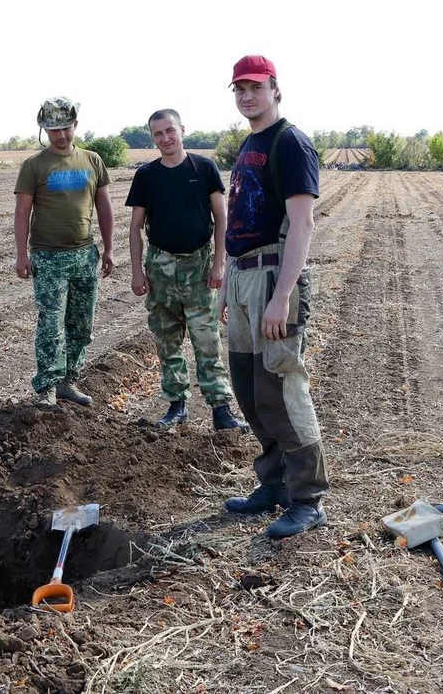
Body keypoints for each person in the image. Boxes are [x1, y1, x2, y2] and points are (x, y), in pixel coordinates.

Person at [218, 55, 330, 538]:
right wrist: (226, 283)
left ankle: (308, 499)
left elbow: (302, 225)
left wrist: (281, 297)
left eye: (255, 87)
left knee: (281, 391)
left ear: (275, 89)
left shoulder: (290, 142)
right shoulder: (249, 143)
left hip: (272, 276)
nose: (247, 96)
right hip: (242, 276)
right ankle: (274, 485)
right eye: (239, 89)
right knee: (247, 388)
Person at [126, 108, 249, 432]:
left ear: (182, 130)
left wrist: (219, 263)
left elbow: (221, 218)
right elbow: (136, 226)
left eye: (170, 131)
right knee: (167, 342)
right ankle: (176, 406)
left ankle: (221, 411)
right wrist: (138, 271)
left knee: (207, 341)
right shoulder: (147, 175)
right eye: (158, 134)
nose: (165, 138)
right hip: (160, 268)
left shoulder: (204, 168)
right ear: (152, 138)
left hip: (198, 266)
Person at [13, 97, 115, 407]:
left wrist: (109, 248)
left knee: (81, 323)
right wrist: (21, 254)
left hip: (84, 255)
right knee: (51, 324)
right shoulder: (34, 166)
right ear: (45, 129)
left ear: (75, 126)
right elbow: (22, 212)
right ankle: (47, 385)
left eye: (66, 128)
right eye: (54, 129)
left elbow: (104, 205)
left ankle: (69, 380)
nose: (61, 135)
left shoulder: (92, 160)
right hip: (48, 257)